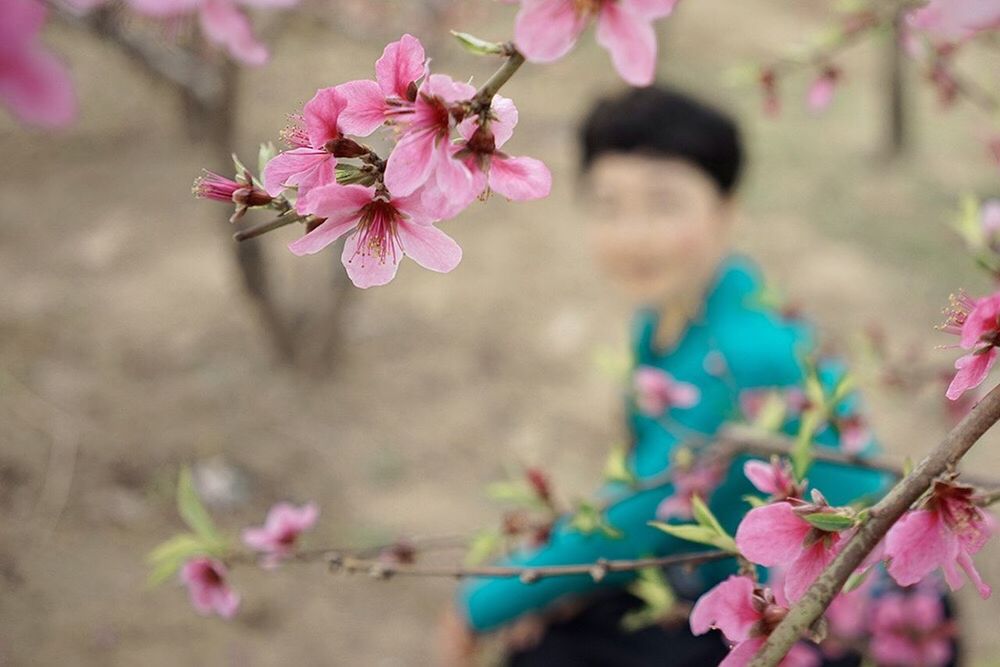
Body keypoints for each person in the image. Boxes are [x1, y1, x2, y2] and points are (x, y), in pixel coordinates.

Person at [437, 86, 898, 667]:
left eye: (664, 204)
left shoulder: (740, 354)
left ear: (727, 209)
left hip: (843, 616)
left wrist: (478, 606)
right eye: (609, 206)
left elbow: (640, 513)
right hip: (719, 567)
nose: (635, 234)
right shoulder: (682, 308)